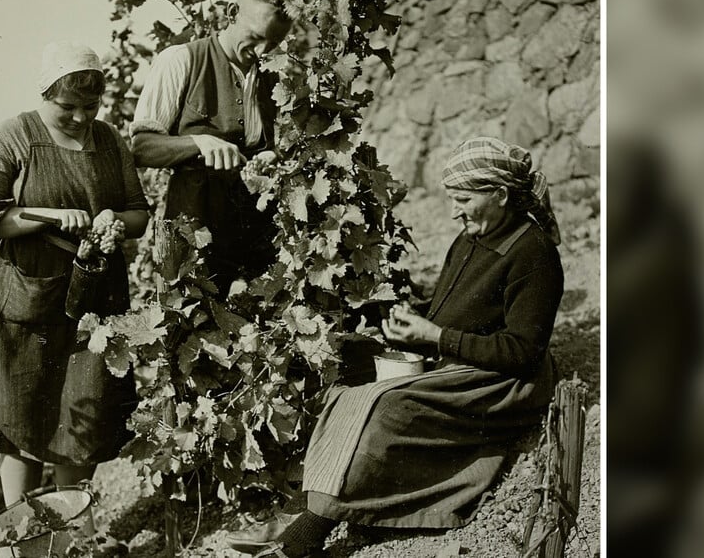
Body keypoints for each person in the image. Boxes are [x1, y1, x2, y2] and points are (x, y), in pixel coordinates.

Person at [231, 137, 565, 557]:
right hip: (461, 359)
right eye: (452, 199)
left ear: (499, 194)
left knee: (387, 409)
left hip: (502, 383)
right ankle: (307, 508)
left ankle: (305, 537)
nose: (454, 210)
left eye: (463, 199)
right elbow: (454, 308)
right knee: (346, 380)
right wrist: (409, 323)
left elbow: (523, 351)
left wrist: (435, 337)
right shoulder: (471, 238)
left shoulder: (533, 254)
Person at [0, 41, 150, 506]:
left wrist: (114, 219)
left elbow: (139, 212)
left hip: (94, 291)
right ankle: (23, 527)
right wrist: (48, 216)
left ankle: (73, 524)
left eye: (90, 107)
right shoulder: (12, 137)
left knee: (84, 410)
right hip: (26, 292)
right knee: (22, 411)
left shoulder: (110, 141)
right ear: (45, 94)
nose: (80, 117)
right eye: (67, 107)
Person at [130, 0, 294, 294]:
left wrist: (271, 158)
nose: (262, 51)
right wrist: (199, 142)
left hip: (255, 243)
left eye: (273, 43)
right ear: (232, 13)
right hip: (190, 240)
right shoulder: (181, 60)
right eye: (255, 37)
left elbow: (280, 150)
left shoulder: (274, 80)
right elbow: (142, 148)